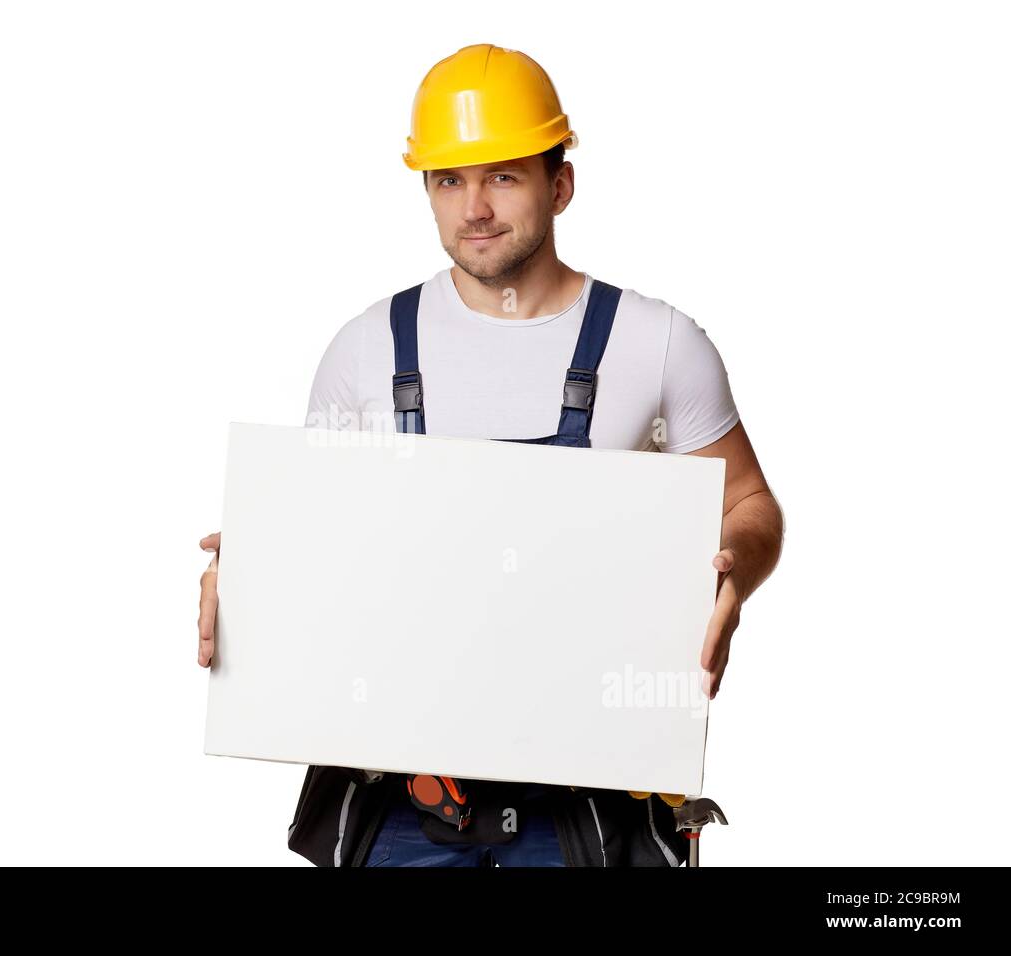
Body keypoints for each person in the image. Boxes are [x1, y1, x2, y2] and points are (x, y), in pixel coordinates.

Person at [196, 43, 783, 866]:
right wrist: (254, 577)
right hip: (400, 806)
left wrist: (736, 576)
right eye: (448, 180)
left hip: (593, 810)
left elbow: (749, 503)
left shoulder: (658, 345)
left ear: (561, 183)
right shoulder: (365, 351)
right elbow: (320, 547)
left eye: (503, 175)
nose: (473, 206)